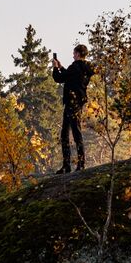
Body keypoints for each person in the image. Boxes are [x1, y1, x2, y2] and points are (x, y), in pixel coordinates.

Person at [52, 44, 95, 173]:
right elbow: (69, 75)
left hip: (71, 102)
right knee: (70, 132)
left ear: (77, 54)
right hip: (79, 102)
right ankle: (74, 164)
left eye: (74, 53)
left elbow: (59, 78)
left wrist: (55, 68)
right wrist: (61, 67)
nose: (72, 55)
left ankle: (73, 165)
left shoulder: (75, 66)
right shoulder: (85, 68)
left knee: (70, 134)